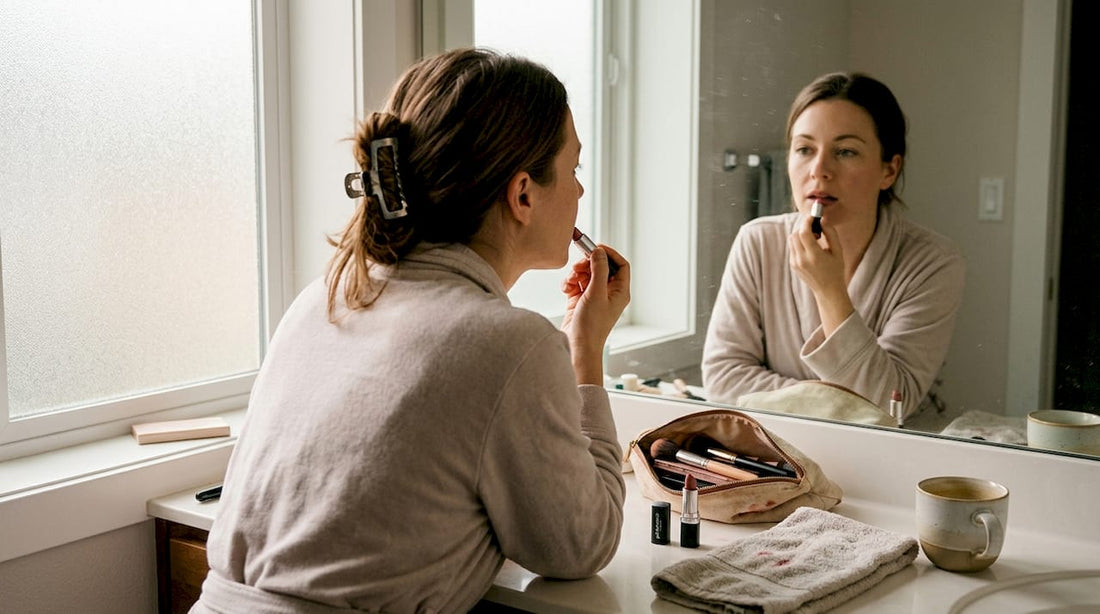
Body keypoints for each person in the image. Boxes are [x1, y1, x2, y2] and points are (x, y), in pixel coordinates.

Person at [192, 48, 630, 613]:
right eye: (574, 170)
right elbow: (581, 544)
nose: (580, 193)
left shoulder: (322, 301)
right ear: (523, 194)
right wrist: (585, 349)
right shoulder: (509, 344)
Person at [701, 72, 964, 420]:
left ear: (889, 170)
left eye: (845, 151)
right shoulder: (758, 241)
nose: (819, 170)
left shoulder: (933, 263)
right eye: (804, 149)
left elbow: (889, 407)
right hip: (772, 457)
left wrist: (829, 292)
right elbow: (723, 379)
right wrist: (839, 403)